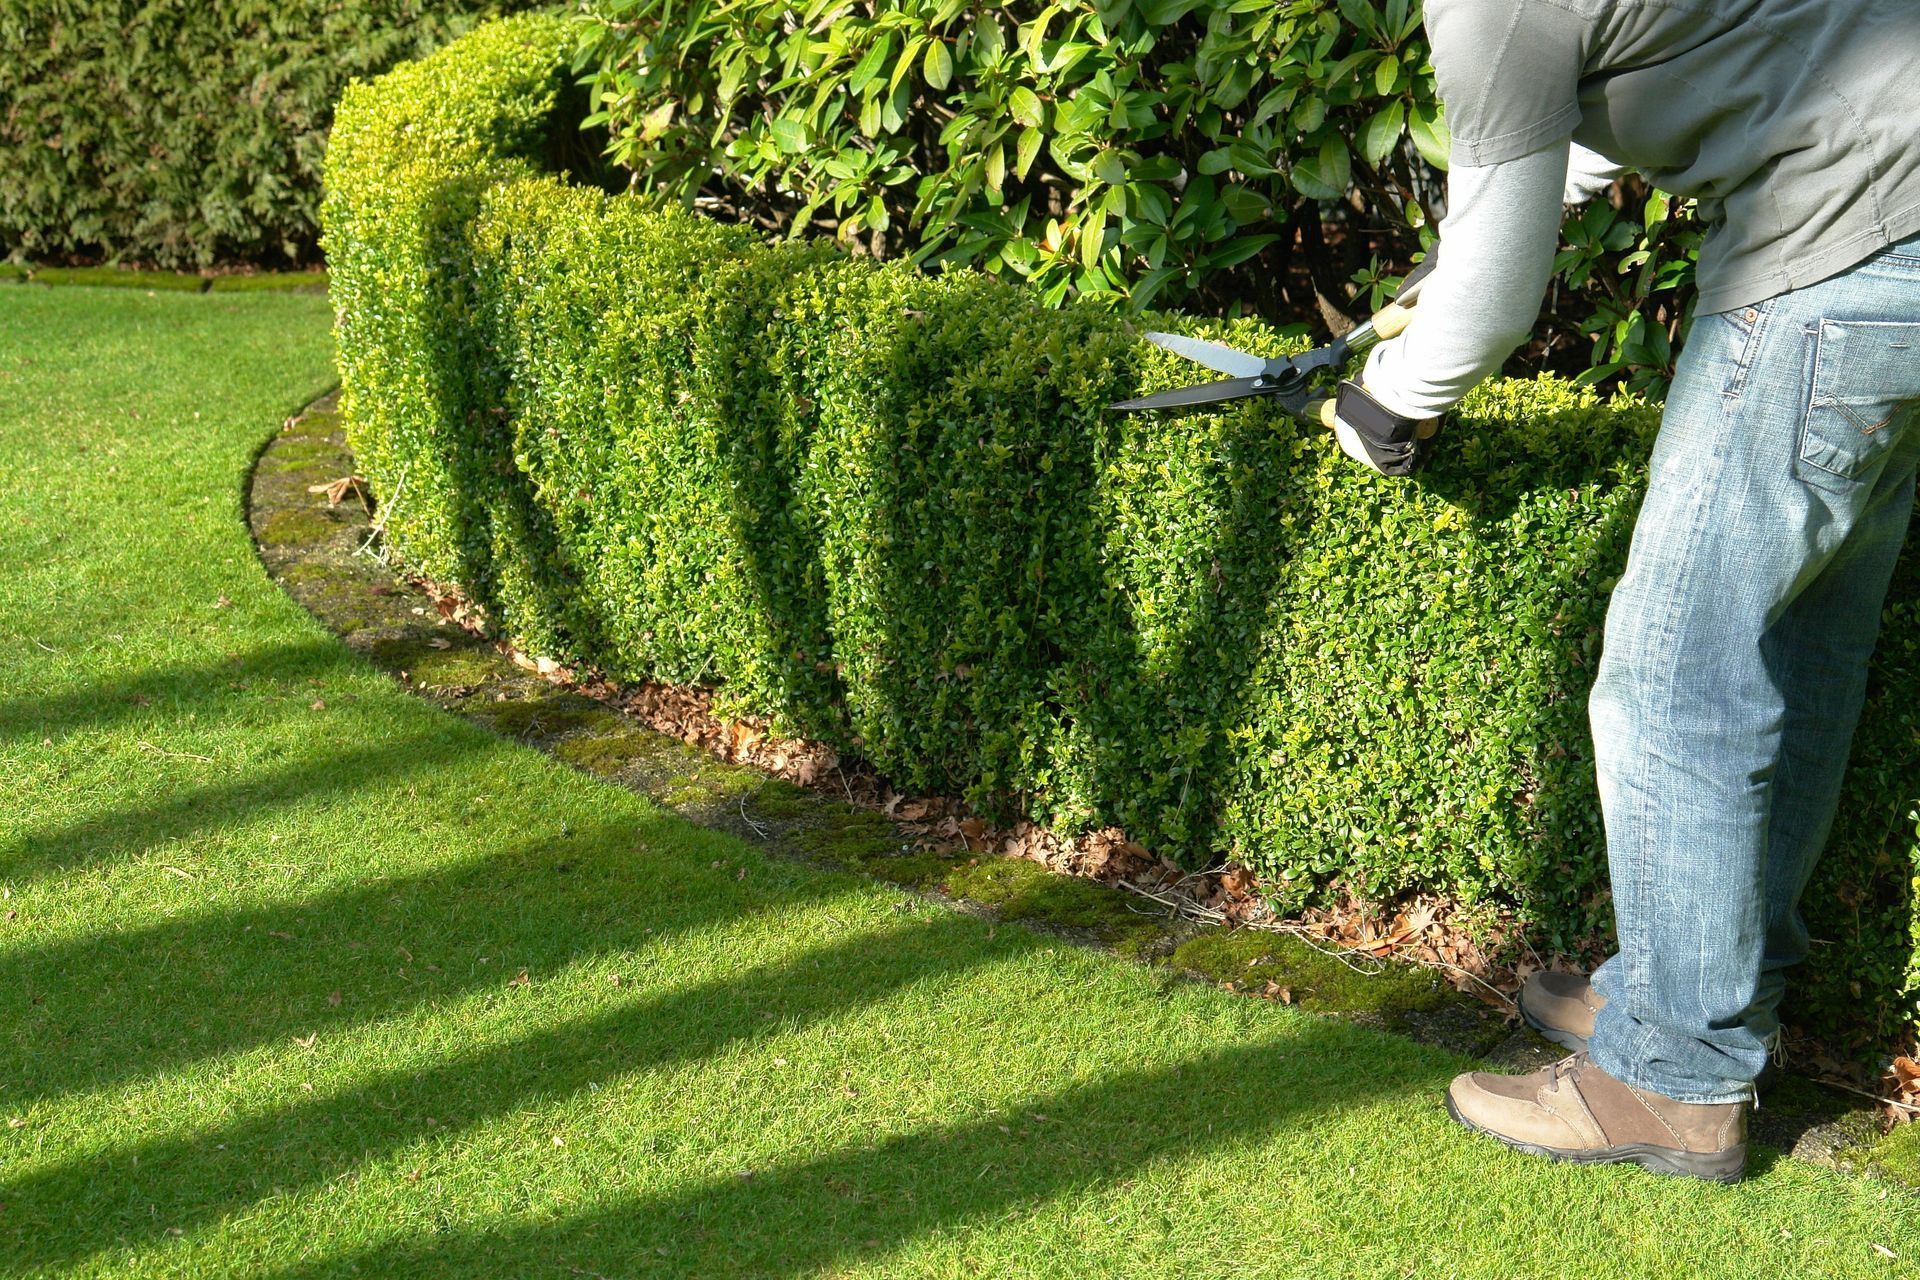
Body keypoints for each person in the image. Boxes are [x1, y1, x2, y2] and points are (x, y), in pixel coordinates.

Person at [1318, 0, 1920, 1183]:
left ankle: (1675, 1074)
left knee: (1673, 675)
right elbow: (1608, 98)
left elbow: (1499, 287)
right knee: (1801, 640)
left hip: (1837, 252)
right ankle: (1698, 991)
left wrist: (1393, 396)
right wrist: (1451, 264)